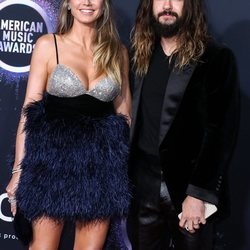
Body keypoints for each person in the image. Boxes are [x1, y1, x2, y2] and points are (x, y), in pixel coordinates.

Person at [6, 0, 131, 249]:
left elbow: (125, 115)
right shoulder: (48, 45)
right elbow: (28, 114)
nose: (86, 2)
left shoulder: (118, 52)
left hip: (99, 168)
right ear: (68, 4)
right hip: (51, 163)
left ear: (104, 5)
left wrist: (117, 167)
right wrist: (18, 173)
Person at [127, 0, 239, 249]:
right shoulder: (137, 55)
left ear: (190, 5)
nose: (167, 5)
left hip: (189, 192)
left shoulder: (216, 58)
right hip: (142, 188)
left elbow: (220, 133)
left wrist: (198, 193)